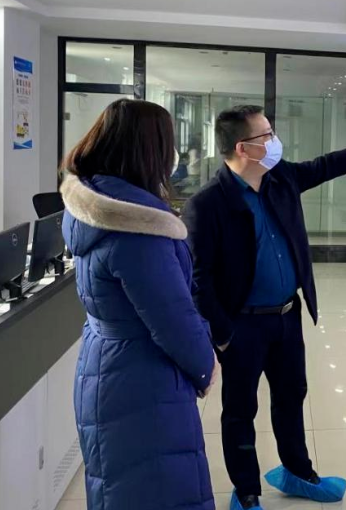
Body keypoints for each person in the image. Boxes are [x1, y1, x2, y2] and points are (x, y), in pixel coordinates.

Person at [183, 105, 346, 510]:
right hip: (242, 327)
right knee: (240, 410)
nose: (275, 141)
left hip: (286, 317)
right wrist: (222, 335)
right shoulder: (207, 204)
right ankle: (247, 491)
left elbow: (327, 165)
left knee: (291, 396)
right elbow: (198, 280)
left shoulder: (281, 178)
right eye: (267, 135)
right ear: (243, 148)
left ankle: (297, 471)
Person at [60, 99, 218, 510]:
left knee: (119, 486)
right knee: (156, 489)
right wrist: (206, 366)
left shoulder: (91, 203)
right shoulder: (137, 227)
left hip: (105, 364)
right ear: (150, 150)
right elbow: (173, 318)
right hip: (142, 380)